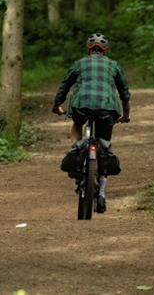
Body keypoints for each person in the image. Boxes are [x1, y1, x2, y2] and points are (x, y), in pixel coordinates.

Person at [51, 33, 131, 213]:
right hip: (106, 109)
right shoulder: (113, 65)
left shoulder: (79, 63)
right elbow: (124, 92)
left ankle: (76, 148)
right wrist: (125, 114)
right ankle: (101, 192)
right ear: (105, 50)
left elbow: (65, 85)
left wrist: (57, 105)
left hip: (81, 106)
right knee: (104, 145)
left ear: (88, 49)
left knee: (77, 123)